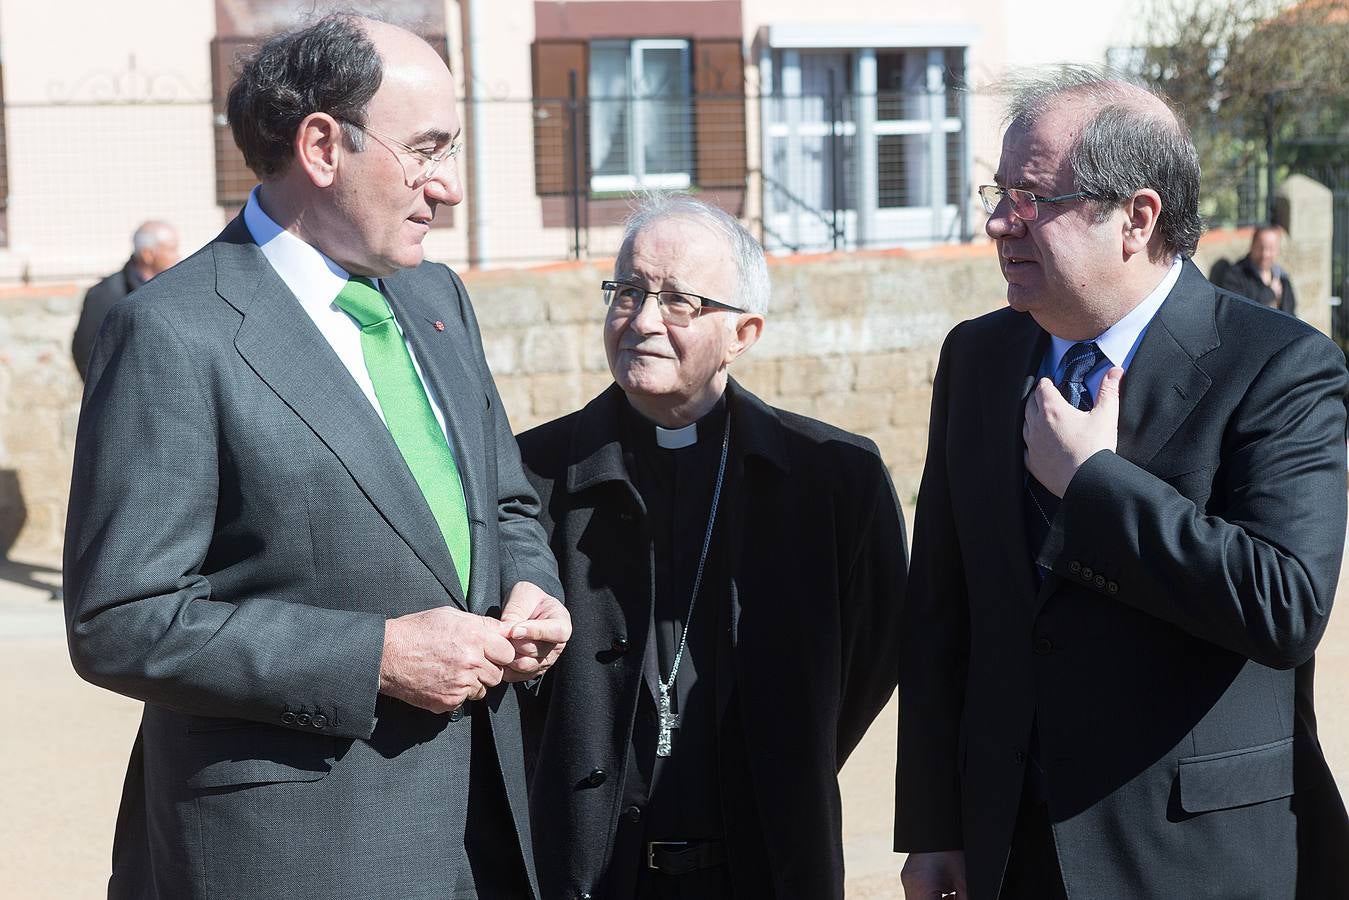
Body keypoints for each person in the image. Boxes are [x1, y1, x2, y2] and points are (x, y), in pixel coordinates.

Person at [63, 13, 569, 899]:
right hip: (291, 852)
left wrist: (534, 591)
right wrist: (371, 656)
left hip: (478, 832)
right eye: (426, 150)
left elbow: (507, 503)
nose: (446, 187)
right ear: (324, 146)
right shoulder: (172, 332)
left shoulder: (435, 293)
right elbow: (122, 618)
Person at [895, 69, 1349, 900]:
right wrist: (932, 828)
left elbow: (1284, 606)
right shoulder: (977, 357)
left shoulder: (1278, 366)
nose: (999, 220)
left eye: (1031, 196)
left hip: (1189, 858)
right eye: (998, 191)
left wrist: (1094, 487)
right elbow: (940, 610)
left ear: (1135, 218)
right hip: (1007, 848)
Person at [517, 193, 907, 900]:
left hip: (767, 866)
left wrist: (785, 756)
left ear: (743, 332)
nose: (640, 321)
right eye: (627, 291)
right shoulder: (529, 475)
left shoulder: (833, 480)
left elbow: (872, 661)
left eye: (678, 303)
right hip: (585, 873)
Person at [71, 220, 179, 380]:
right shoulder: (107, 294)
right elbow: (85, 350)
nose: (178, 257)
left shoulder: (171, 289)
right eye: (171, 250)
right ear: (148, 254)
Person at [1218, 223, 1297, 315]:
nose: (1265, 254)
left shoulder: (1283, 278)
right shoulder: (1235, 275)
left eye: (1271, 249)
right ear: (1252, 245)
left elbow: (1292, 315)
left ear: (1278, 250)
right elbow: (1236, 311)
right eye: (1260, 247)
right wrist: (1270, 293)